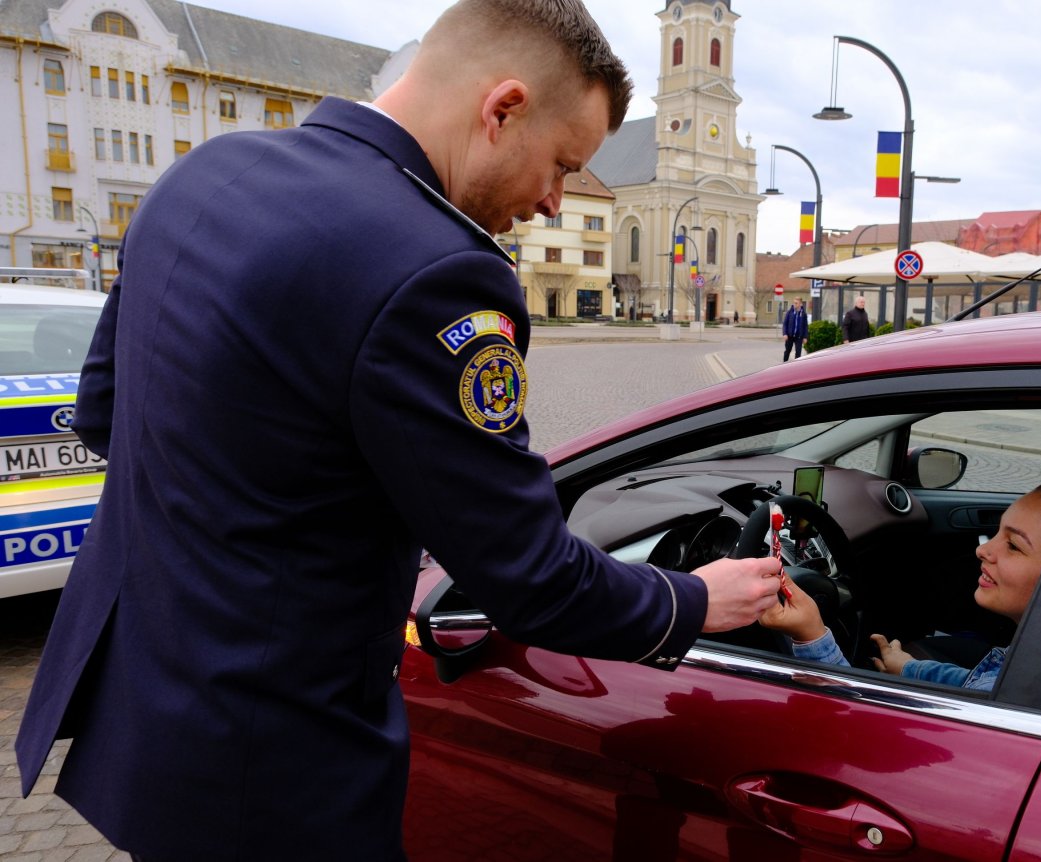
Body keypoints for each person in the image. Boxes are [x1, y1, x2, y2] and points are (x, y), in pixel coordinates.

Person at [15, 2, 783, 859]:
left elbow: (104, 410)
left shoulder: (208, 172)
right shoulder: (437, 270)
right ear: (503, 109)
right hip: (278, 766)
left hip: (148, 715)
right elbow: (531, 579)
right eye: (562, 166)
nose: (552, 201)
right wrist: (696, 598)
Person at [761, 480, 1041, 691]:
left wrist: (812, 635)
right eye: (996, 533)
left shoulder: (1031, 688)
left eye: (1013, 545)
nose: (983, 550)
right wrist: (911, 669)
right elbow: (972, 683)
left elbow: (867, 735)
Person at [781, 297, 809, 361]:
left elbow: (805, 326)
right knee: (787, 351)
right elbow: (785, 324)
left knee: (798, 353)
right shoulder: (789, 312)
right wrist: (785, 334)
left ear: (800, 304)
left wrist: (805, 337)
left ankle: (796, 367)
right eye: (794, 303)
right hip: (789, 336)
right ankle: (784, 365)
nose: (794, 304)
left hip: (799, 336)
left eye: (796, 303)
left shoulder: (803, 314)